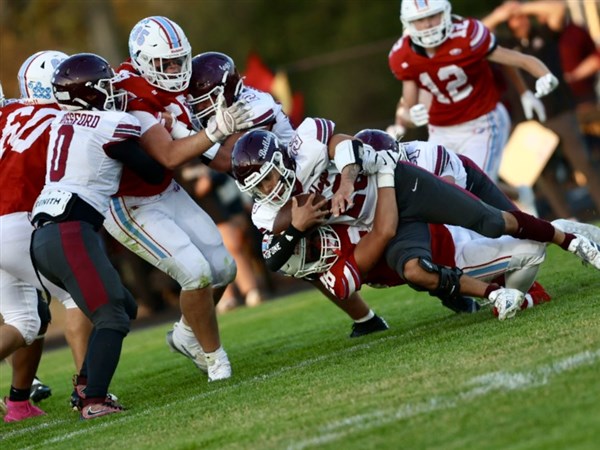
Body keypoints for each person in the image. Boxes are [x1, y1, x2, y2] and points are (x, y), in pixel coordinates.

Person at [231, 126, 600, 319]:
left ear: (282, 160)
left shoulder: (306, 146)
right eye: (257, 188)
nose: (267, 190)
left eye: (268, 179)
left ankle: (569, 239)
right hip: (389, 211)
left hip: (413, 184)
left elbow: (343, 143)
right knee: (419, 267)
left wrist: (348, 180)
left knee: (489, 222)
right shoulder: (269, 214)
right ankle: (496, 293)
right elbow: (273, 256)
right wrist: (297, 228)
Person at [175, 51, 389, 336]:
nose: (199, 108)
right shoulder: (220, 109)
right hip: (275, 193)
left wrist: (181, 133)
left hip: (306, 181)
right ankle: (366, 319)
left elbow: (228, 161)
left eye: (203, 100)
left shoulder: (254, 106)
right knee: (301, 262)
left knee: (307, 253)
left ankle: (418, 265)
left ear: (226, 90)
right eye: (195, 102)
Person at [103, 17, 253, 382]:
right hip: (128, 202)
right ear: (142, 60)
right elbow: (169, 155)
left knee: (223, 269)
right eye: (165, 63)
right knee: (196, 273)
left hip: (164, 191)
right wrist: (215, 129)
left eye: (178, 61)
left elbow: (215, 157)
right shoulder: (130, 91)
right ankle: (215, 358)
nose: (174, 70)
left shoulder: (173, 92)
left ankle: (186, 335)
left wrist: (251, 144)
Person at [29, 52, 166, 419]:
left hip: (45, 237)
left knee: (125, 306)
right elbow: (153, 172)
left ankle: (85, 385)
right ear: (88, 92)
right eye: (105, 86)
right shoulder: (111, 124)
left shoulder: (61, 120)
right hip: (71, 233)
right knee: (113, 317)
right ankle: (94, 399)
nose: (113, 91)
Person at [0, 50, 96, 422]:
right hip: (18, 220)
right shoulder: (60, 118)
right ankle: (90, 392)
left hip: (6, 222)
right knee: (80, 294)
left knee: (24, 322)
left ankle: (19, 405)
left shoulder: (10, 115)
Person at [389, 0, 558, 183]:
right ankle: (517, 195)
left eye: (432, 16)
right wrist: (409, 118)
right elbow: (409, 105)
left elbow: (515, 59)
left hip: (481, 123)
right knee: (435, 188)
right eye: (420, 20)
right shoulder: (403, 55)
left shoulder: (467, 35)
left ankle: (508, 197)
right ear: (408, 23)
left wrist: (543, 75)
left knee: (470, 187)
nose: (428, 25)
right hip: (441, 131)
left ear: (445, 13)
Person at [482, 0, 600, 217]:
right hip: (529, 120)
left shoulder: (544, 35)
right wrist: (500, 14)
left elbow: (558, 9)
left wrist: (521, 8)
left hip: (559, 111)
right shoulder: (504, 46)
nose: (519, 21)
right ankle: (566, 220)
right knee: (544, 174)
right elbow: (475, 35)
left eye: (522, 16)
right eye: (514, 18)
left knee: (583, 162)